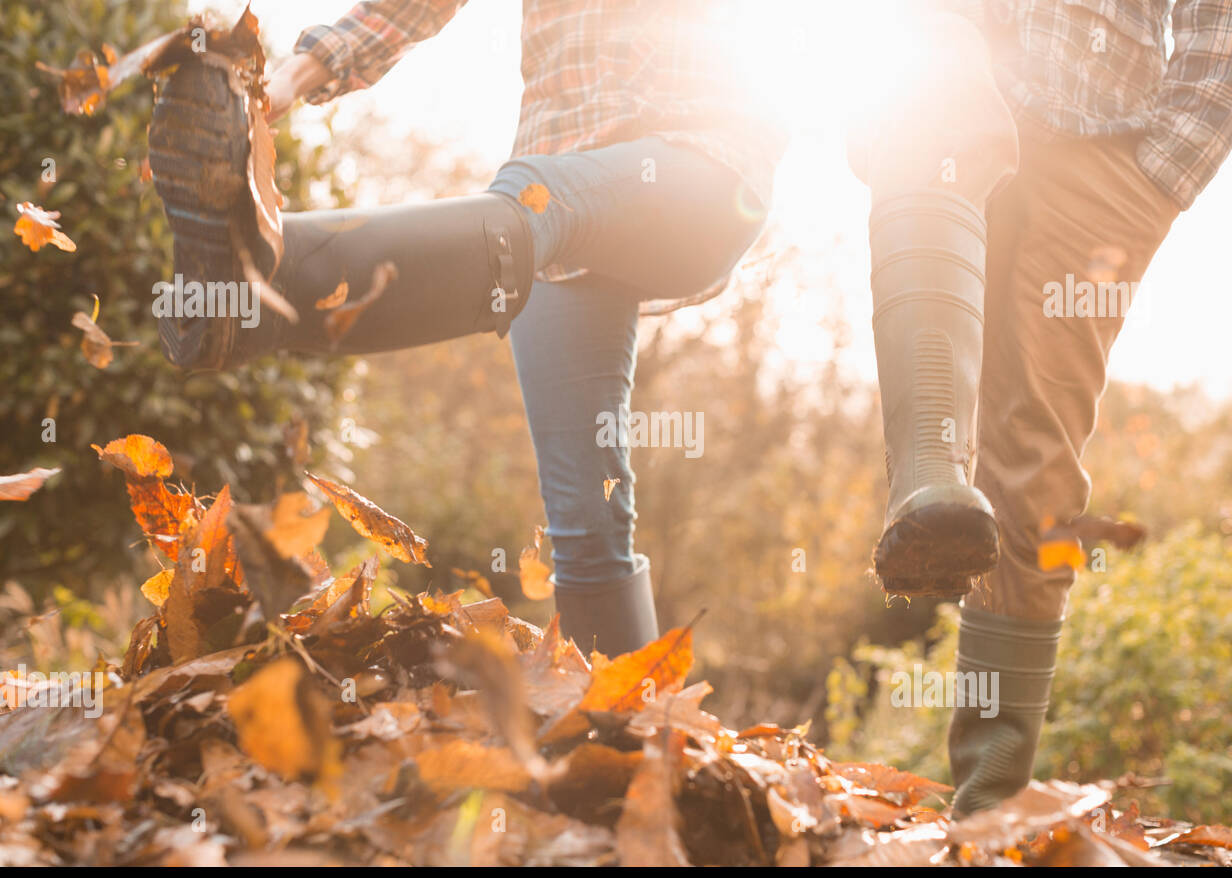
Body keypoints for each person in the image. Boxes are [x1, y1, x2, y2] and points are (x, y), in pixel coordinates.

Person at [148, 1, 786, 658]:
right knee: (586, 528)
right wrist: (284, 82)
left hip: (698, 169)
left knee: (534, 196)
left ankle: (259, 281)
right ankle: (626, 732)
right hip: (548, 228)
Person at [847, 0, 1232, 815]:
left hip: (1101, 132)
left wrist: (1161, 170)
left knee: (1040, 472)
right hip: (938, 51)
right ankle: (928, 473)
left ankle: (985, 808)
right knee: (937, 77)